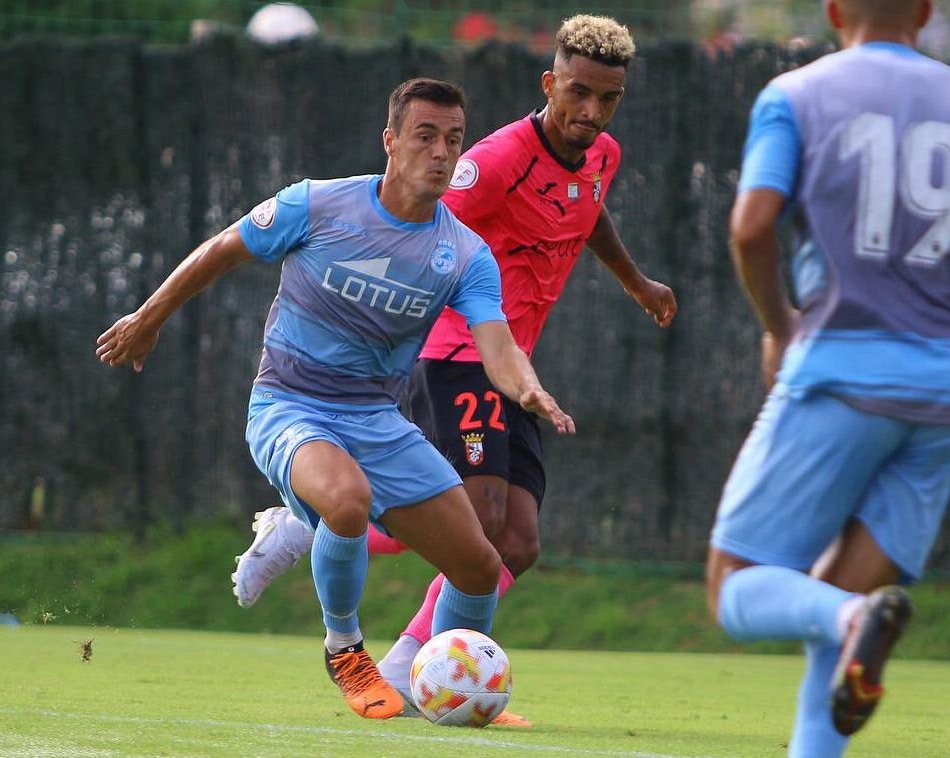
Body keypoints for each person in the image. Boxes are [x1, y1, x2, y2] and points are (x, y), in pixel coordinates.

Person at [230, 14, 677, 721]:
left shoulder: (601, 155)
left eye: (607, 99)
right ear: (550, 84)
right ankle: (318, 534)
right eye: (578, 93)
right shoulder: (492, 161)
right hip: (454, 352)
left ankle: (412, 660)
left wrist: (635, 281)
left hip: (513, 366)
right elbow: (421, 218)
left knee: (517, 545)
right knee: (478, 517)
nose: (590, 112)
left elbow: (588, 212)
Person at [96, 77, 575, 721]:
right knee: (346, 501)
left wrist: (526, 386)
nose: (441, 153)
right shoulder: (318, 206)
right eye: (425, 136)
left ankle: (450, 685)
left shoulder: (463, 254)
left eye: (453, 141)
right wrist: (148, 318)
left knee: (479, 564)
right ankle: (346, 649)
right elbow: (221, 250)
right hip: (289, 405)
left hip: (377, 419)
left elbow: (497, 345)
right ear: (390, 141)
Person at [705, 1, 950, 756]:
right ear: (926, 13)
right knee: (844, 592)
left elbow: (750, 226)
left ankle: (851, 620)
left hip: (842, 366)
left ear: (833, 9)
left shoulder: (794, 94)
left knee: (733, 586)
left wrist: (778, 326)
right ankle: (849, 633)